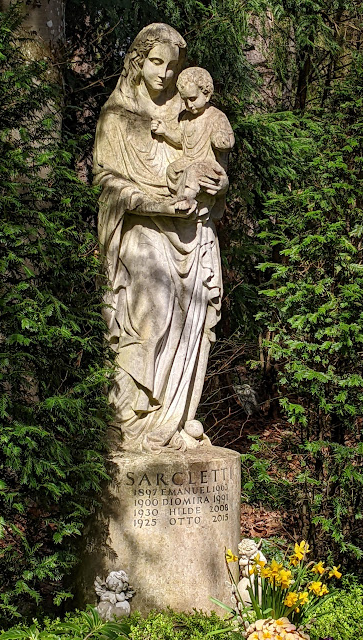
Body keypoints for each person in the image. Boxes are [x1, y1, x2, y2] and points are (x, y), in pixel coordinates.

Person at [93, 23, 230, 453]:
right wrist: (157, 205)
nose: (165, 74)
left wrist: (216, 184)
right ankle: (131, 419)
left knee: (190, 317)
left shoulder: (186, 115)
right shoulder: (116, 117)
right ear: (137, 61)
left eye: (172, 66)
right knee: (154, 314)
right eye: (155, 62)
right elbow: (105, 184)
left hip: (189, 231)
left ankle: (175, 419)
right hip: (139, 228)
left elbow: (210, 165)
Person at [151, 67, 234, 218]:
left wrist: (222, 140)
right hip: (189, 160)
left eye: (193, 98)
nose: (189, 104)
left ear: (207, 94)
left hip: (208, 165)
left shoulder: (216, 117)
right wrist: (165, 132)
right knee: (172, 169)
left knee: (194, 171)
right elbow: (181, 140)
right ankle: (180, 195)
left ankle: (187, 198)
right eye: (185, 100)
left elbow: (228, 141)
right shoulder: (185, 117)